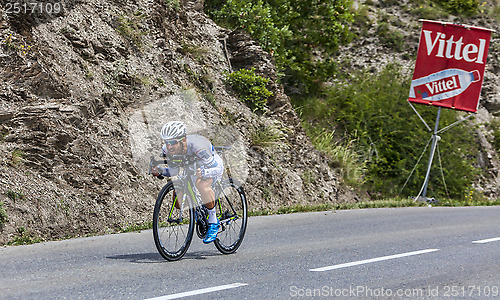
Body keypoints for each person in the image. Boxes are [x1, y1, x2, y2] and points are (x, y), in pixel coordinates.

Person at [151, 121, 224, 244]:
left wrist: (205, 173)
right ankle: (198, 210)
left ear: (183, 140)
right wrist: (160, 171)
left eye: (173, 142)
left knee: (201, 184)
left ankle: (213, 222)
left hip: (209, 166)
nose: (169, 146)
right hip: (191, 168)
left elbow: (218, 169)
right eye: (167, 142)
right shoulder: (167, 149)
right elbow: (174, 171)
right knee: (178, 202)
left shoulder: (198, 146)